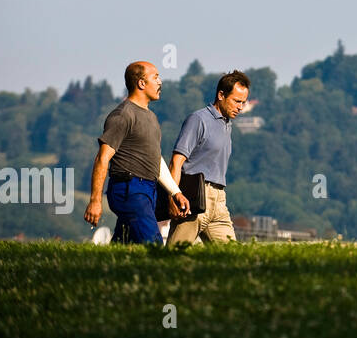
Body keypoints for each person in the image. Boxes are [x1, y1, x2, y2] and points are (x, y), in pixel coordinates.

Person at [84, 61, 189, 243]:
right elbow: (102, 158)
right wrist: (95, 201)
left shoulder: (151, 117)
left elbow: (155, 159)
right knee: (153, 245)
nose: (160, 82)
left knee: (124, 244)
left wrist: (175, 192)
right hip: (130, 189)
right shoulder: (123, 115)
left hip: (148, 189)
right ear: (141, 83)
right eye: (155, 77)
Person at [166, 70, 248, 245]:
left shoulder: (227, 124)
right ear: (221, 95)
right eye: (236, 101)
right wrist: (172, 196)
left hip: (219, 200)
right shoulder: (198, 119)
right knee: (173, 257)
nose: (240, 107)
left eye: (243, 102)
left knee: (233, 257)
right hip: (193, 198)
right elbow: (176, 161)